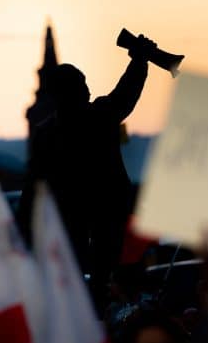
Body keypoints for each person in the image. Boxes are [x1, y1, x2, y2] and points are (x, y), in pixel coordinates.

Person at [18, 34, 157, 312]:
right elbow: (126, 94)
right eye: (81, 86)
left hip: (78, 223)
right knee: (96, 281)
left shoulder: (47, 134)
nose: (88, 90)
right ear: (67, 94)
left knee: (84, 282)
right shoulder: (99, 117)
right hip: (97, 217)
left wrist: (24, 230)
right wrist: (140, 60)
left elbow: (32, 188)